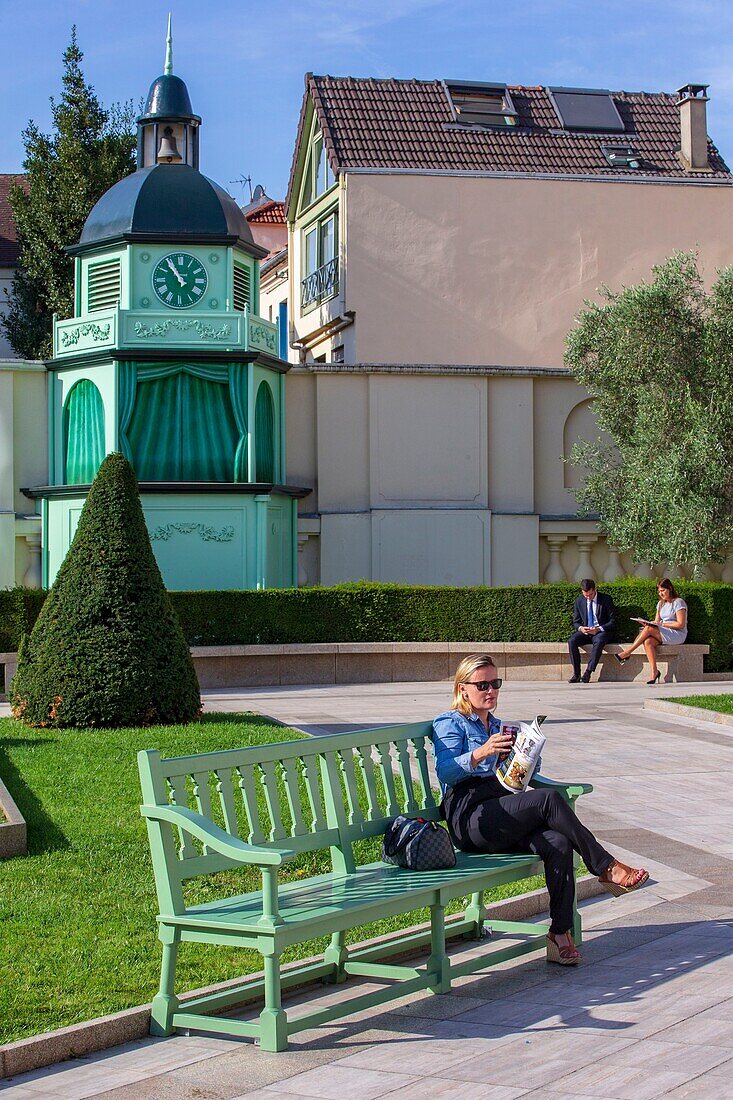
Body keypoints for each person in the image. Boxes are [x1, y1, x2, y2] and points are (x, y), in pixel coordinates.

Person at [432, 654, 649, 965]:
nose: (491, 690)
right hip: (469, 815)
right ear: (463, 688)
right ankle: (605, 866)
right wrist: (482, 752)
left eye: (496, 683)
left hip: (500, 807)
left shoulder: (497, 724)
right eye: (483, 685)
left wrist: (527, 754)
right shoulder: (449, 721)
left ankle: (560, 934)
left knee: (558, 843)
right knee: (548, 799)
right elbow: (446, 772)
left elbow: (519, 777)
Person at [615, 578, 688, 685]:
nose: (661, 593)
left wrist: (660, 624)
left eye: (663, 590)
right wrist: (648, 623)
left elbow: (680, 624)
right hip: (664, 631)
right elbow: (657, 621)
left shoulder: (678, 602)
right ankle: (654, 672)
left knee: (649, 629)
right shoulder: (660, 604)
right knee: (648, 641)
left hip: (677, 634)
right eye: (659, 591)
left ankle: (627, 653)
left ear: (670, 588)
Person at [568, 579, 616, 683]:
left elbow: (612, 621)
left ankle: (588, 672)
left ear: (595, 590)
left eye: (590, 594)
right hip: (586, 631)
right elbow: (575, 622)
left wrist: (598, 629)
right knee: (572, 641)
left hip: (601, 631)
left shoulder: (606, 599)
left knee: (599, 641)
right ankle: (576, 674)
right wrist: (581, 628)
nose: (588, 597)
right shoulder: (579, 601)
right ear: (582, 592)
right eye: (586, 595)